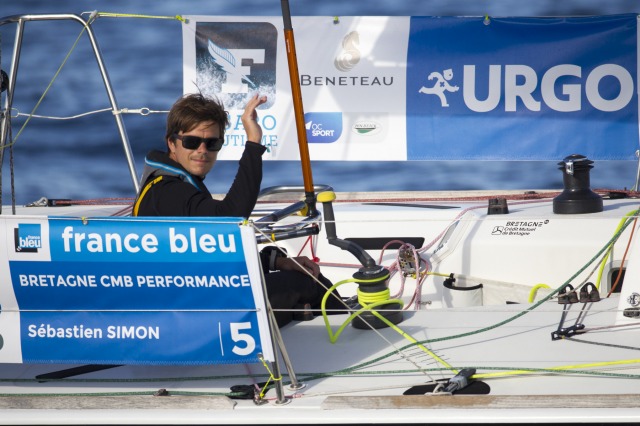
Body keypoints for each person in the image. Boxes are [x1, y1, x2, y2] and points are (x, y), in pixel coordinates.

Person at [133, 93, 342, 327]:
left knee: (297, 276)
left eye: (212, 143)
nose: (202, 150)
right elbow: (230, 217)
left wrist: (272, 262)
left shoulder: (168, 186)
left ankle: (342, 320)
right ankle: (353, 331)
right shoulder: (169, 192)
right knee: (307, 283)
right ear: (171, 143)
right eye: (191, 142)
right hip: (189, 319)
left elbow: (211, 255)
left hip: (192, 301)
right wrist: (254, 143)